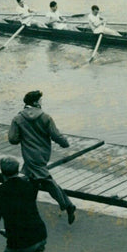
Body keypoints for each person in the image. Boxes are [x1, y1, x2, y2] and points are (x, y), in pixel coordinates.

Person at [8, 90, 76, 225]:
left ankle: (67, 205)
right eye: (40, 101)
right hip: (42, 156)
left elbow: (13, 139)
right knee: (33, 181)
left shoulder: (18, 119)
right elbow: (56, 135)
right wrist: (65, 143)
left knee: (44, 181)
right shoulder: (46, 117)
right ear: (35, 103)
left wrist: (23, 135)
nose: (41, 103)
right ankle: (29, 211)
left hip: (29, 156)